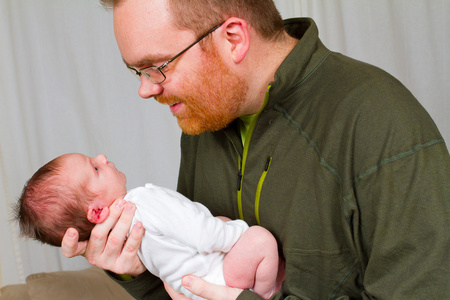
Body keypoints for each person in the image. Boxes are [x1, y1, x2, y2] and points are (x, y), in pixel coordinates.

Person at [61, 0, 450, 299]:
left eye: (157, 66)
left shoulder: (380, 119)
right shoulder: (205, 121)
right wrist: (139, 270)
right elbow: (203, 282)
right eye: (138, 72)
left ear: (234, 38)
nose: (146, 89)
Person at [16, 153, 282, 300]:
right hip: (221, 278)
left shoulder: (129, 237)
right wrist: (236, 233)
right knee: (259, 239)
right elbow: (203, 235)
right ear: (96, 212)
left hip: (194, 292)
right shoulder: (143, 201)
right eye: (95, 168)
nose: (103, 157)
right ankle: (264, 292)